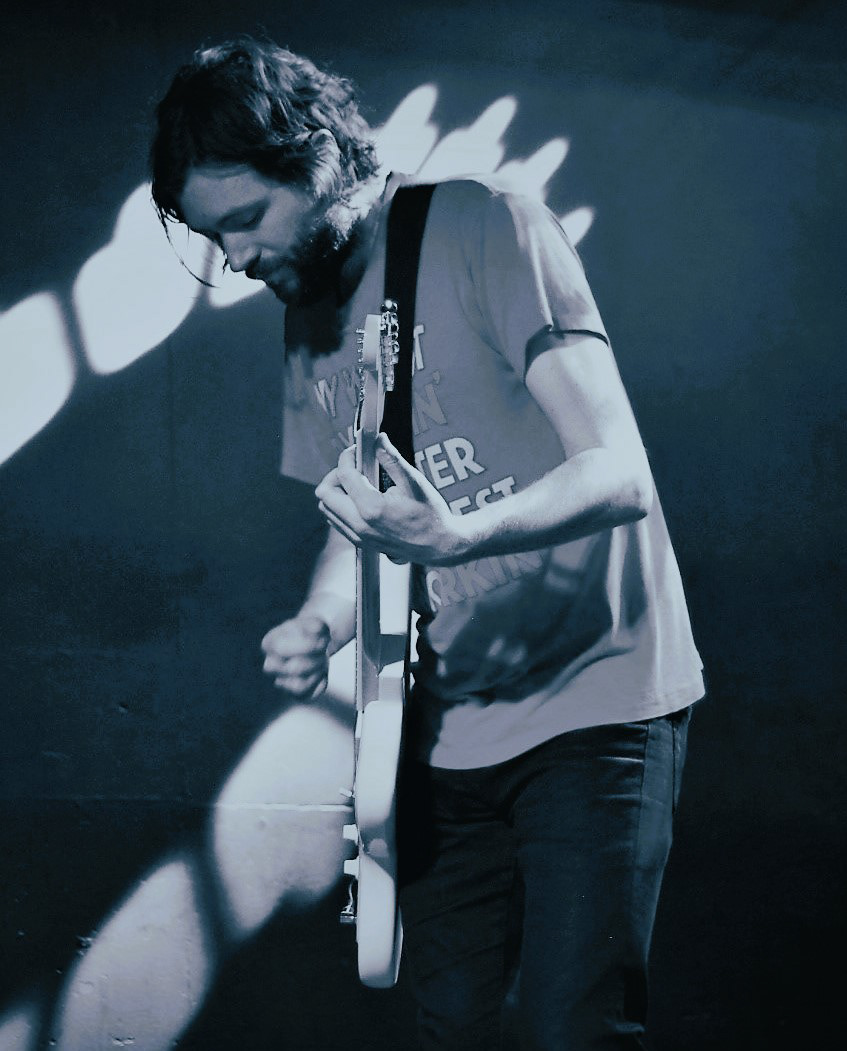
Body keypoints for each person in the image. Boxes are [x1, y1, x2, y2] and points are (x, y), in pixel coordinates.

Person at [151, 39, 704, 1049]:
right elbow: (359, 522)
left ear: (317, 158)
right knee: (450, 1032)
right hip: (448, 729)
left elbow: (620, 472)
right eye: (212, 235)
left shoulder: (491, 226)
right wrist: (321, 619)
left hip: (598, 702)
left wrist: (458, 535)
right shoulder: (308, 313)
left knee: (574, 1029)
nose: (233, 258)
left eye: (245, 219)